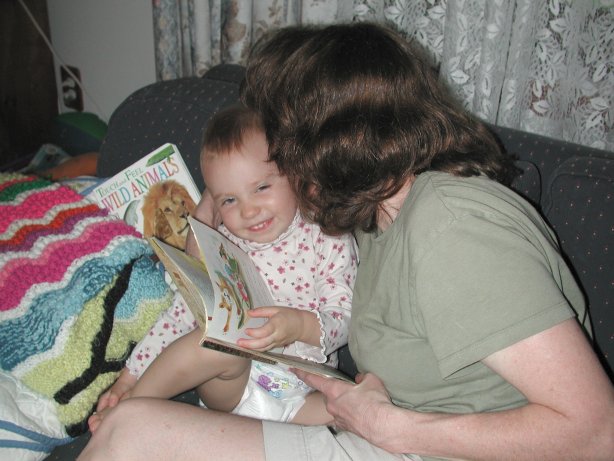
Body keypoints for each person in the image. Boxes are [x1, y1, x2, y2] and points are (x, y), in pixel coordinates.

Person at [79, 23, 614, 461]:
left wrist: (395, 428)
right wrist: (214, 205)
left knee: (129, 437)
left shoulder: (455, 229)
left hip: (417, 448)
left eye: (286, 146)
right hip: (378, 433)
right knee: (130, 430)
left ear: (337, 144)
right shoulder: (377, 204)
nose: (282, 165)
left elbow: (598, 432)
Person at [89, 104, 357, 430]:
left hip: (300, 396)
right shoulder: (222, 246)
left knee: (363, 408)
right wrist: (127, 380)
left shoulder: (326, 235)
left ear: (296, 174)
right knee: (220, 345)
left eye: (261, 188)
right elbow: (179, 316)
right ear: (214, 203)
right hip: (233, 389)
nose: (249, 211)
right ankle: (132, 409)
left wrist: (300, 326)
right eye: (229, 200)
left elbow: (345, 317)